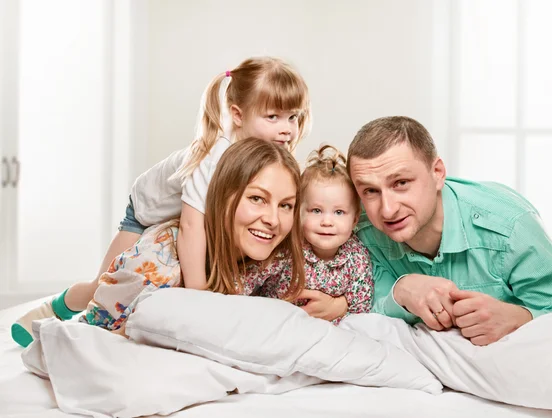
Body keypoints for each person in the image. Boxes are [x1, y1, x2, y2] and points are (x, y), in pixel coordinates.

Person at [12, 56, 311, 347]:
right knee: (104, 287)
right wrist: (199, 293)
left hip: (180, 220)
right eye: (273, 117)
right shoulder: (214, 157)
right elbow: (193, 227)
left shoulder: (264, 157)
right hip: (146, 214)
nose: (287, 128)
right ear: (237, 115)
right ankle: (53, 308)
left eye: (292, 117)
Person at [347, 116, 552, 346]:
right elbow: (353, 303)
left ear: (438, 173)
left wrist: (519, 317)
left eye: (401, 183)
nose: (388, 210)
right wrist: (401, 290)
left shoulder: (509, 225)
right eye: (370, 191)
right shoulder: (358, 230)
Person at [65, 139, 305, 333]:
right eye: (257, 199)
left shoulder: (280, 257)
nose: (273, 219)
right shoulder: (157, 265)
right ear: (221, 198)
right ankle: (57, 305)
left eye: (286, 205)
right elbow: (100, 336)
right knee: (91, 290)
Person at [254, 145, 374, 324]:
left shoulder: (357, 256)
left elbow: (363, 303)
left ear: (355, 219)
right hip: (280, 323)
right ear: (298, 213)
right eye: (316, 210)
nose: (327, 221)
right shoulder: (288, 249)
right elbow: (251, 278)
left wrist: (341, 308)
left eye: (339, 212)